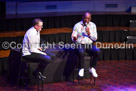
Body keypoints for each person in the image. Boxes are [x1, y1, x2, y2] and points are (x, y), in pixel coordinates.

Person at [71, 12, 100, 78]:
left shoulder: (93, 25)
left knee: (97, 51)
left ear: (90, 18)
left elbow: (95, 38)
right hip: (80, 43)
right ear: (83, 17)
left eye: (88, 18)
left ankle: (92, 68)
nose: (87, 20)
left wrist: (89, 33)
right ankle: (81, 68)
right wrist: (74, 38)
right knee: (81, 52)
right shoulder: (77, 25)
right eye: (85, 18)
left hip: (89, 44)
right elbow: (73, 38)